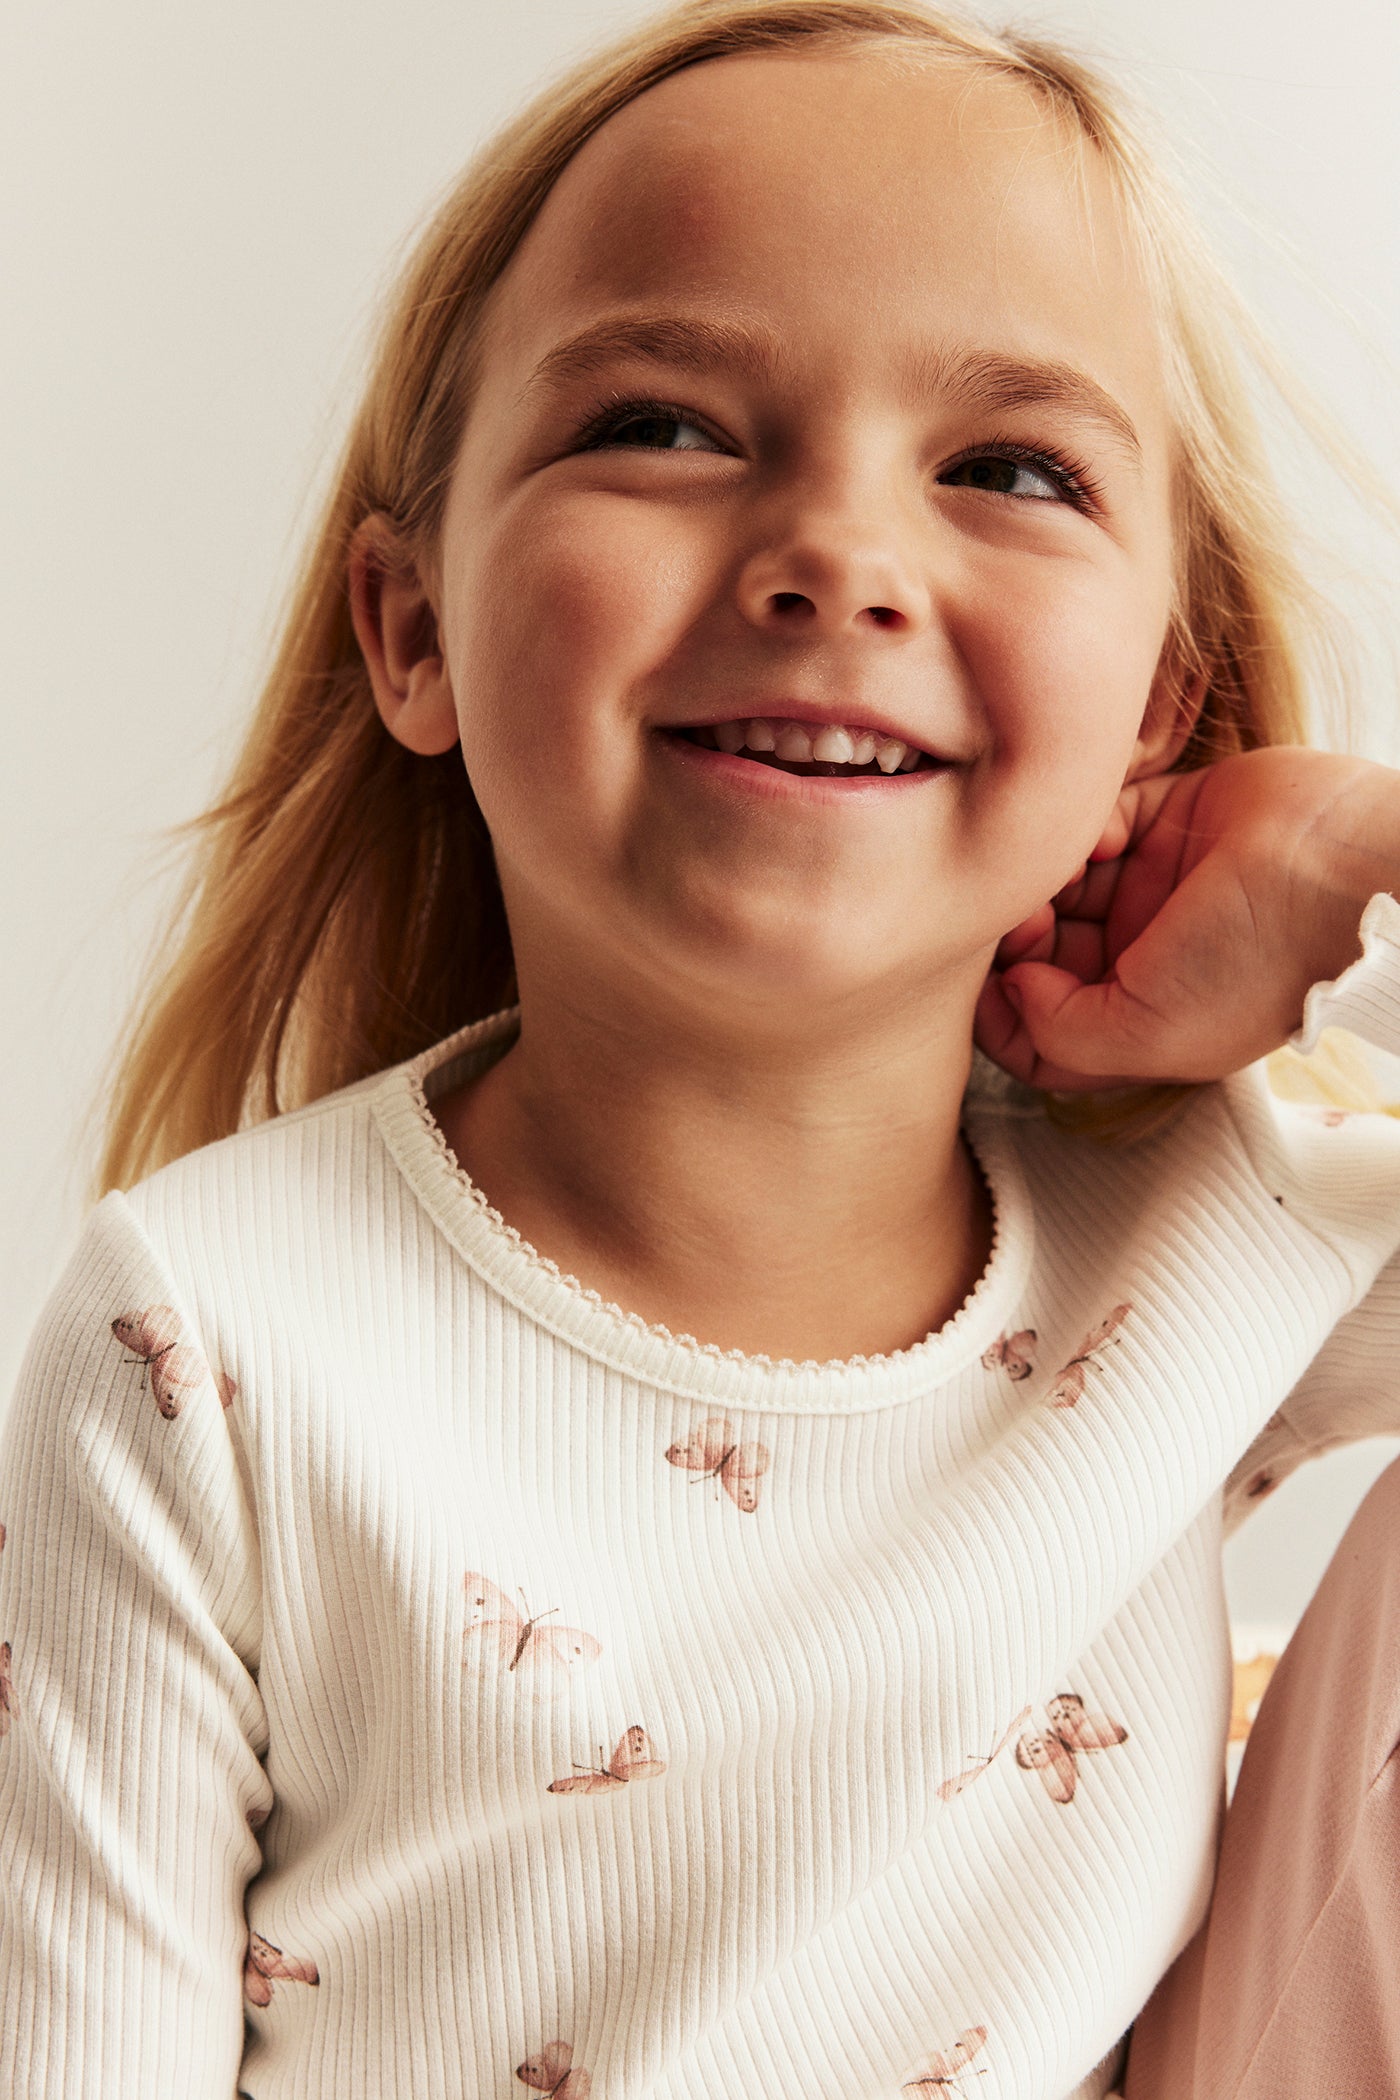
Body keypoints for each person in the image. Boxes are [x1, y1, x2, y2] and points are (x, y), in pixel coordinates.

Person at [1, 2, 1397, 2094]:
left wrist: (1353, 860)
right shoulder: (211, 1339)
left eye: (1007, 469)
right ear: (415, 632)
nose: (836, 557)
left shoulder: (1222, 1228)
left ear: (1149, 715)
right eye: (663, 425)